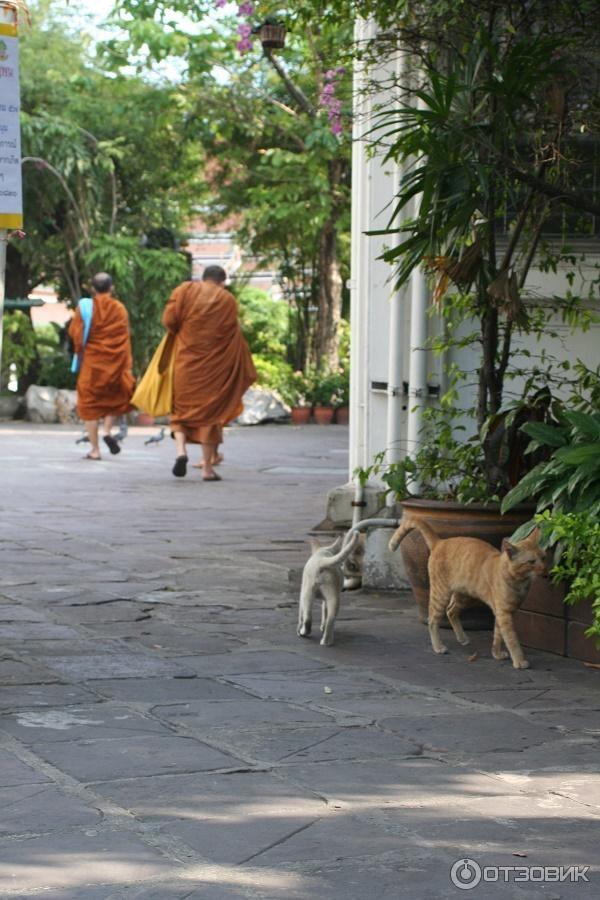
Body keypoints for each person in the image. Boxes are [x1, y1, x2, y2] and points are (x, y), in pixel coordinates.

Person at [162, 265, 256, 479]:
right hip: (213, 367)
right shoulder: (228, 300)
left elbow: (169, 321)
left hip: (185, 363)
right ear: (222, 282)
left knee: (180, 412)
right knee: (209, 416)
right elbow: (233, 334)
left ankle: (180, 452)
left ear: (202, 278)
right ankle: (207, 468)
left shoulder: (184, 291)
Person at [68, 273, 135, 460]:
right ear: (111, 288)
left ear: (92, 288)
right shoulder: (119, 309)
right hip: (115, 365)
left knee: (89, 405)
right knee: (115, 399)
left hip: (92, 365)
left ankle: (95, 450)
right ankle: (107, 431)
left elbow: (77, 335)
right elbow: (124, 338)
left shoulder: (85, 308)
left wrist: (79, 353)